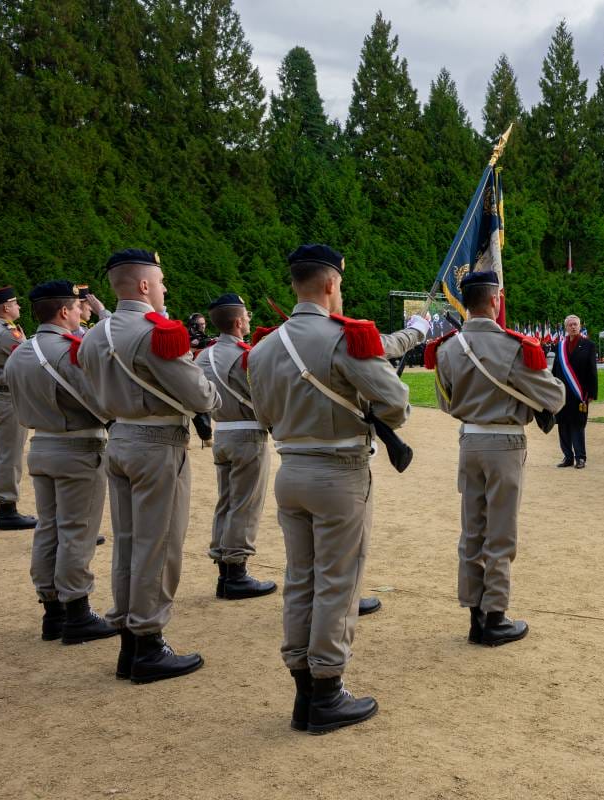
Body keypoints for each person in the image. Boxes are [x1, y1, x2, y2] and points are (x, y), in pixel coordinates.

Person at [247, 244, 413, 734]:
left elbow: (261, 417)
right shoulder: (343, 338)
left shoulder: (261, 347)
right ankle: (327, 691)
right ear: (331, 285)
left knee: (301, 578)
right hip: (338, 471)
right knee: (338, 582)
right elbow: (398, 403)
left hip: (290, 468)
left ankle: (303, 688)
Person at [78, 249, 222, 683]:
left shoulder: (92, 336)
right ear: (144, 285)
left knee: (127, 542)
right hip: (158, 441)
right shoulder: (158, 332)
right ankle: (148, 643)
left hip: (119, 436)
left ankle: (128, 635)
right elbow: (199, 396)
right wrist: (210, 397)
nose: (165, 289)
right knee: (158, 544)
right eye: (160, 282)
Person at [430, 270, 565, 645]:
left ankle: (475, 613)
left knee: (472, 529)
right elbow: (554, 398)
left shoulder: (446, 348)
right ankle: (495, 617)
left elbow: (446, 402)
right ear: (496, 300)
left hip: (469, 441)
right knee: (500, 533)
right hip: (504, 444)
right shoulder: (513, 346)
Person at [4, 281, 113, 644]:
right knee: (77, 531)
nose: (83, 311)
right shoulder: (72, 351)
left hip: (42, 444)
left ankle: (52, 612)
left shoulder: (21, 351)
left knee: (48, 528)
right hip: (78, 447)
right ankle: (78, 612)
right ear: (65, 311)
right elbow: (100, 401)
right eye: (79, 306)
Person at [194, 294, 276, 601]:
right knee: (245, 504)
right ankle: (237, 574)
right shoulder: (247, 356)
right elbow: (265, 395)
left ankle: (224, 571)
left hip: (222, 433)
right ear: (239, 322)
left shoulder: (204, 356)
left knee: (226, 502)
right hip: (248, 434)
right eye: (248, 316)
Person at [0, 285, 37, 530]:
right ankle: (6, 510)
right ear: (5, 307)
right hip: (6, 396)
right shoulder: (8, 333)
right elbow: (26, 363)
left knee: (4, 452)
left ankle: (5, 505)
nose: (18, 307)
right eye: (15, 303)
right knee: (10, 453)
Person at [552, 314, 597, 469]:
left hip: (580, 393)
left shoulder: (588, 345)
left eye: (575, 324)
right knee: (563, 425)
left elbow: (592, 371)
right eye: (570, 325)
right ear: (566, 327)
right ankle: (567, 457)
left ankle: (580, 457)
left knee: (578, 425)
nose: (573, 327)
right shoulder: (560, 346)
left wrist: (591, 393)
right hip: (562, 394)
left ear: (580, 326)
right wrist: (552, 388)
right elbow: (555, 369)